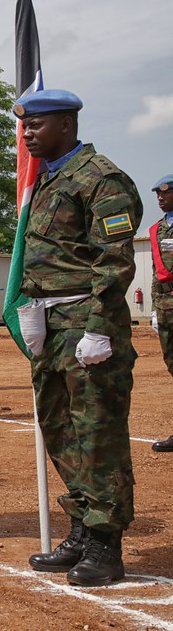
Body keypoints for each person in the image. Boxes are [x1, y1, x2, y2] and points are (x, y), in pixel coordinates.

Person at [15, 89, 142, 586]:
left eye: (36, 125)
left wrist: (97, 326)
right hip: (52, 325)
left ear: (66, 124)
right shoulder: (48, 180)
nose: (27, 134)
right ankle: (83, 528)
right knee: (59, 428)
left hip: (88, 324)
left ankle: (106, 544)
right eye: (25, 127)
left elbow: (115, 262)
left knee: (97, 435)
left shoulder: (101, 178)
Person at [148, 174, 173, 451]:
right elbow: (157, 273)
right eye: (157, 193)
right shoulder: (157, 229)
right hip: (166, 307)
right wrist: (155, 309)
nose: (160, 197)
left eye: (165, 192)